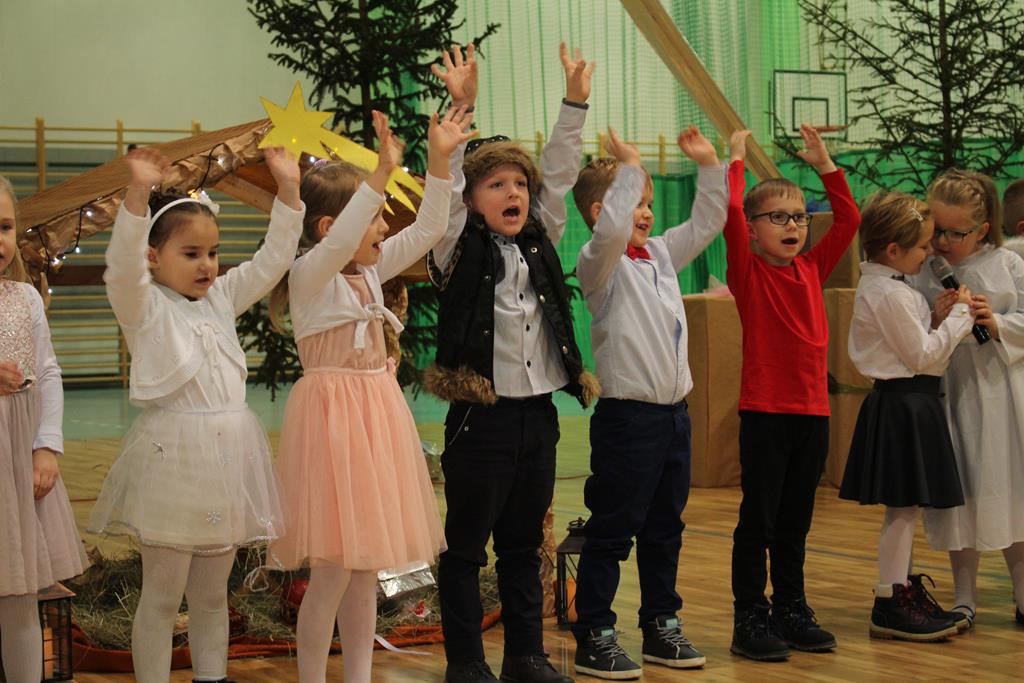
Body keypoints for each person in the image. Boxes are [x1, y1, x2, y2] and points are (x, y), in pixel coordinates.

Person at [267, 107, 474, 683]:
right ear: (329, 228)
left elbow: (429, 230)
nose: (383, 226)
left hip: (376, 418)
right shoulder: (311, 275)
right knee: (333, 572)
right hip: (333, 426)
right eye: (375, 216)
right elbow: (343, 241)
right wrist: (380, 172)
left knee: (365, 573)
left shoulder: (372, 274)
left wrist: (438, 162)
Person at [88, 145, 304, 682]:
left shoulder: (221, 299)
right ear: (152, 256)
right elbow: (121, 270)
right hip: (173, 467)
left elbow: (273, 260)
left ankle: (213, 677)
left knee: (211, 598)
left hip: (225, 467)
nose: (208, 264)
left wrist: (289, 192)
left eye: (212, 252)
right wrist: (137, 195)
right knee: (162, 598)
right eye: (191, 253)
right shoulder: (143, 307)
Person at [426, 43, 597, 683]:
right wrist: (461, 107)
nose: (514, 192)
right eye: (496, 184)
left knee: (524, 545)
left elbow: (561, 169)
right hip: (482, 419)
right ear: (473, 198)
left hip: (538, 417)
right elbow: (443, 192)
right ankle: (467, 663)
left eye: (519, 183)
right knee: (467, 549)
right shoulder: (452, 244)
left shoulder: (541, 238)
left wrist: (574, 102)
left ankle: (526, 656)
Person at [568, 126, 728, 679]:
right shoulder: (598, 263)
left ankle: (661, 624)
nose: (646, 213)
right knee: (614, 530)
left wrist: (709, 165)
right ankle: (595, 633)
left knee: (665, 528)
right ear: (601, 211)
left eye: (649, 203)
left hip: (673, 418)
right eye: (636, 201)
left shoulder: (658, 253)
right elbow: (613, 231)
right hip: (628, 421)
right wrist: (631, 167)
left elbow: (707, 222)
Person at [724, 125, 860, 660]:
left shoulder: (811, 268)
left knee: (796, 520)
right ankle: (749, 616)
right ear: (753, 229)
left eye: (800, 217)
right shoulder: (748, 272)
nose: (793, 226)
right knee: (758, 519)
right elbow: (730, 214)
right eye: (778, 217)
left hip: (812, 414)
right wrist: (736, 160)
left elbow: (848, 219)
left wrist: (825, 163)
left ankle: (791, 607)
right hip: (765, 414)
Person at [839, 191, 974, 641]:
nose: (930, 252)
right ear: (893, 250)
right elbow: (921, 357)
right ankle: (891, 599)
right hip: (903, 403)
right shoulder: (887, 292)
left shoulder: (894, 287)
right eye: (922, 245)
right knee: (902, 507)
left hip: (912, 400)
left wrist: (935, 319)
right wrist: (960, 318)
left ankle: (902, 592)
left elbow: (913, 345)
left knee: (907, 506)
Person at [910, 168, 1024, 628]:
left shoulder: (1009, 264)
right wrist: (935, 320)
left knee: (1008, 490)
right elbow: (910, 332)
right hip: (949, 395)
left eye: (955, 233)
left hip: (999, 396)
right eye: (936, 229)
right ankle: (963, 596)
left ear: (982, 229)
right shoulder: (922, 269)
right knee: (958, 495)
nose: (941, 241)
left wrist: (997, 324)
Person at [0, 174, 88, 683]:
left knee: (19, 597)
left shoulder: (25, 297)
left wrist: (46, 446)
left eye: (5, 226)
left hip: (15, 465)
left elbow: (48, 372)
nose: (0, 238)